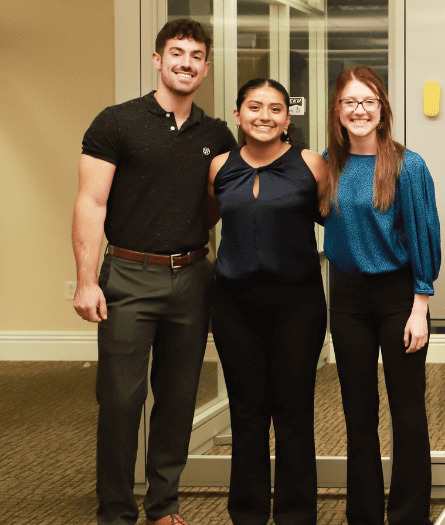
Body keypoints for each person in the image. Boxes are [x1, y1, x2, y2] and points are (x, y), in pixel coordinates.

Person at [73, 18, 237, 525]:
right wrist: (84, 280)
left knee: (178, 400)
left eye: (195, 56)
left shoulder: (216, 134)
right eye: (177, 53)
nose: (186, 63)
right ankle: (116, 512)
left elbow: (216, 203)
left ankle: (162, 507)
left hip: (191, 278)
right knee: (121, 402)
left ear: (205, 69)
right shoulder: (116, 122)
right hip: (127, 275)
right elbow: (90, 202)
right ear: (158, 60)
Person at [321, 66, 441, 525]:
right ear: (337, 110)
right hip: (348, 299)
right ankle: (364, 515)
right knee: (358, 414)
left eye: (368, 101)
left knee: (407, 411)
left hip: (400, 297)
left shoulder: (408, 165)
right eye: (350, 102)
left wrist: (420, 306)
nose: (359, 111)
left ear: (382, 109)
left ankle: (409, 515)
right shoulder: (328, 165)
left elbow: (423, 235)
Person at [207, 78, 328, 525]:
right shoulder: (220, 165)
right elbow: (206, 219)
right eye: (254, 107)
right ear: (237, 115)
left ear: (287, 119)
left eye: (275, 109)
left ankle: (297, 516)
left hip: (298, 306)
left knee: (293, 413)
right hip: (234, 307)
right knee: (247, 413)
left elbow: (337, 218)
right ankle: (248, 514)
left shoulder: (312, 164)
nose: (264, 116)